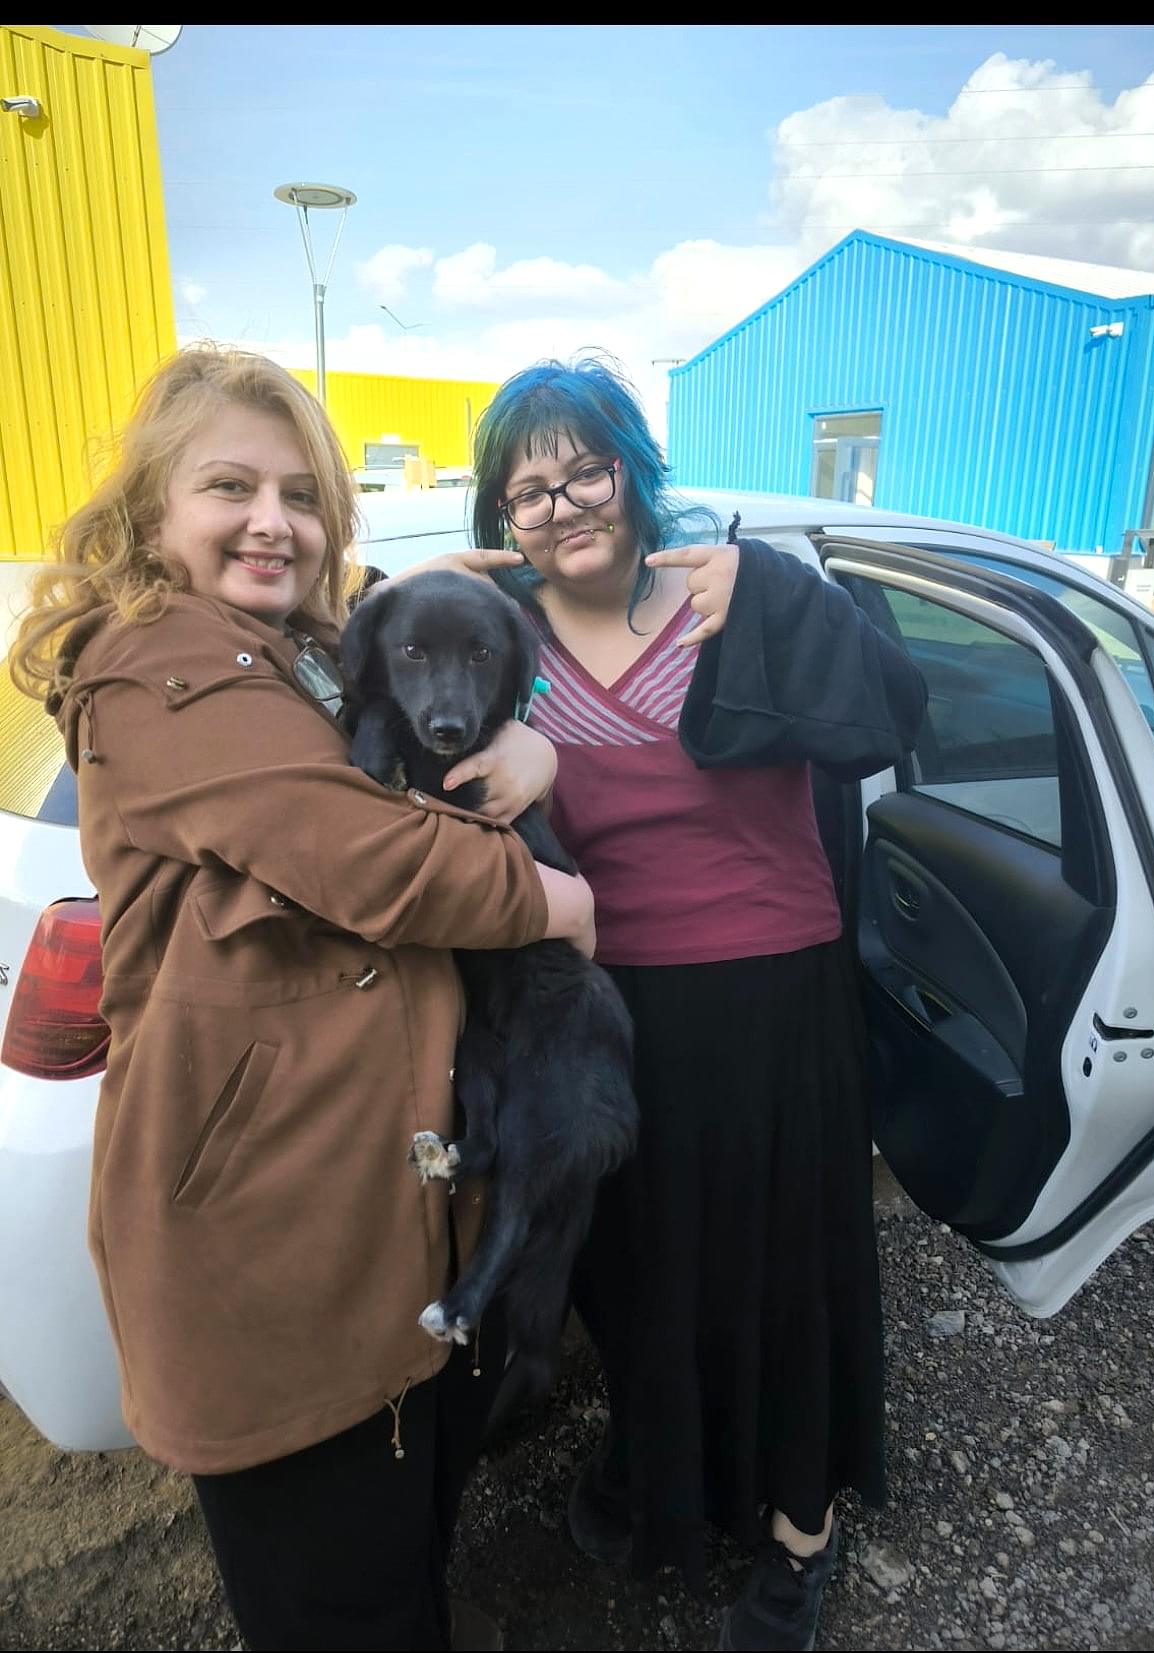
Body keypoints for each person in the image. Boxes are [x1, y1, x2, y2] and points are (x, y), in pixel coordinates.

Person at [8, 347, 594, 1653]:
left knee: (398, 1539)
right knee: (336, 1584)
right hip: (268, 1226)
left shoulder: (294, 650)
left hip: (377, 1194)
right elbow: (373, 856)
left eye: (302, 495)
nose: (272, 521)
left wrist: (530, 724)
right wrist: (558, 902)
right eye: (230, 487)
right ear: (153, 509)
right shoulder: (165, 665)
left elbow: (429, 665)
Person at [412, 355, 927, 1652]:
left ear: (635, 473)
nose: (564, 506)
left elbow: (890, 711)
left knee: (783, 1276)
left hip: (770, 1004)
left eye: (586, 470)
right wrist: (422, 597)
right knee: (636, 1276)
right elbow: (377, 715)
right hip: (602, 1012)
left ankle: (799, 1533)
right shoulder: (503, 639)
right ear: (503, 515)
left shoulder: (735, 593)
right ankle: (668, 1472)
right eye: (529, 491)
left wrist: (778, 598)